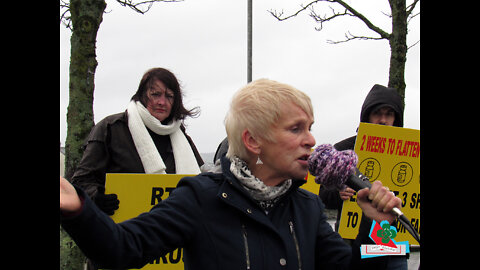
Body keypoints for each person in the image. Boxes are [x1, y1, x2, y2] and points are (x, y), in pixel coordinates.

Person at [60, 79, 402, 270]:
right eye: (296, 129)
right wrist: (78, 209)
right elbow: (122, 249)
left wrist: (380, 228)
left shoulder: (308, 208)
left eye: (310, 128)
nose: (312, 140)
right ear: (253, 141)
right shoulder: (199, 198)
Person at [70, 67, 204, 216]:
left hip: (172, 230)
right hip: (121, 229)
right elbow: (81, 180)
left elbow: (202, 180)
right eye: (155, 94)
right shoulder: (110, 129)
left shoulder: (181, 136)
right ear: (142, 95)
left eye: (169, 96)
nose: (162, 102)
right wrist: (97, 197)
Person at [319, 84, 407, 269]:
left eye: (389, 114)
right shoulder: (344, 149)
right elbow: (323, 195)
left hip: (395, 245)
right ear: (367, 115)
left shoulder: (411, 153)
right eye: (377, 113)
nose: (383, 120)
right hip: (353, 242)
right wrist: (338, 194)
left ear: (396, 118)